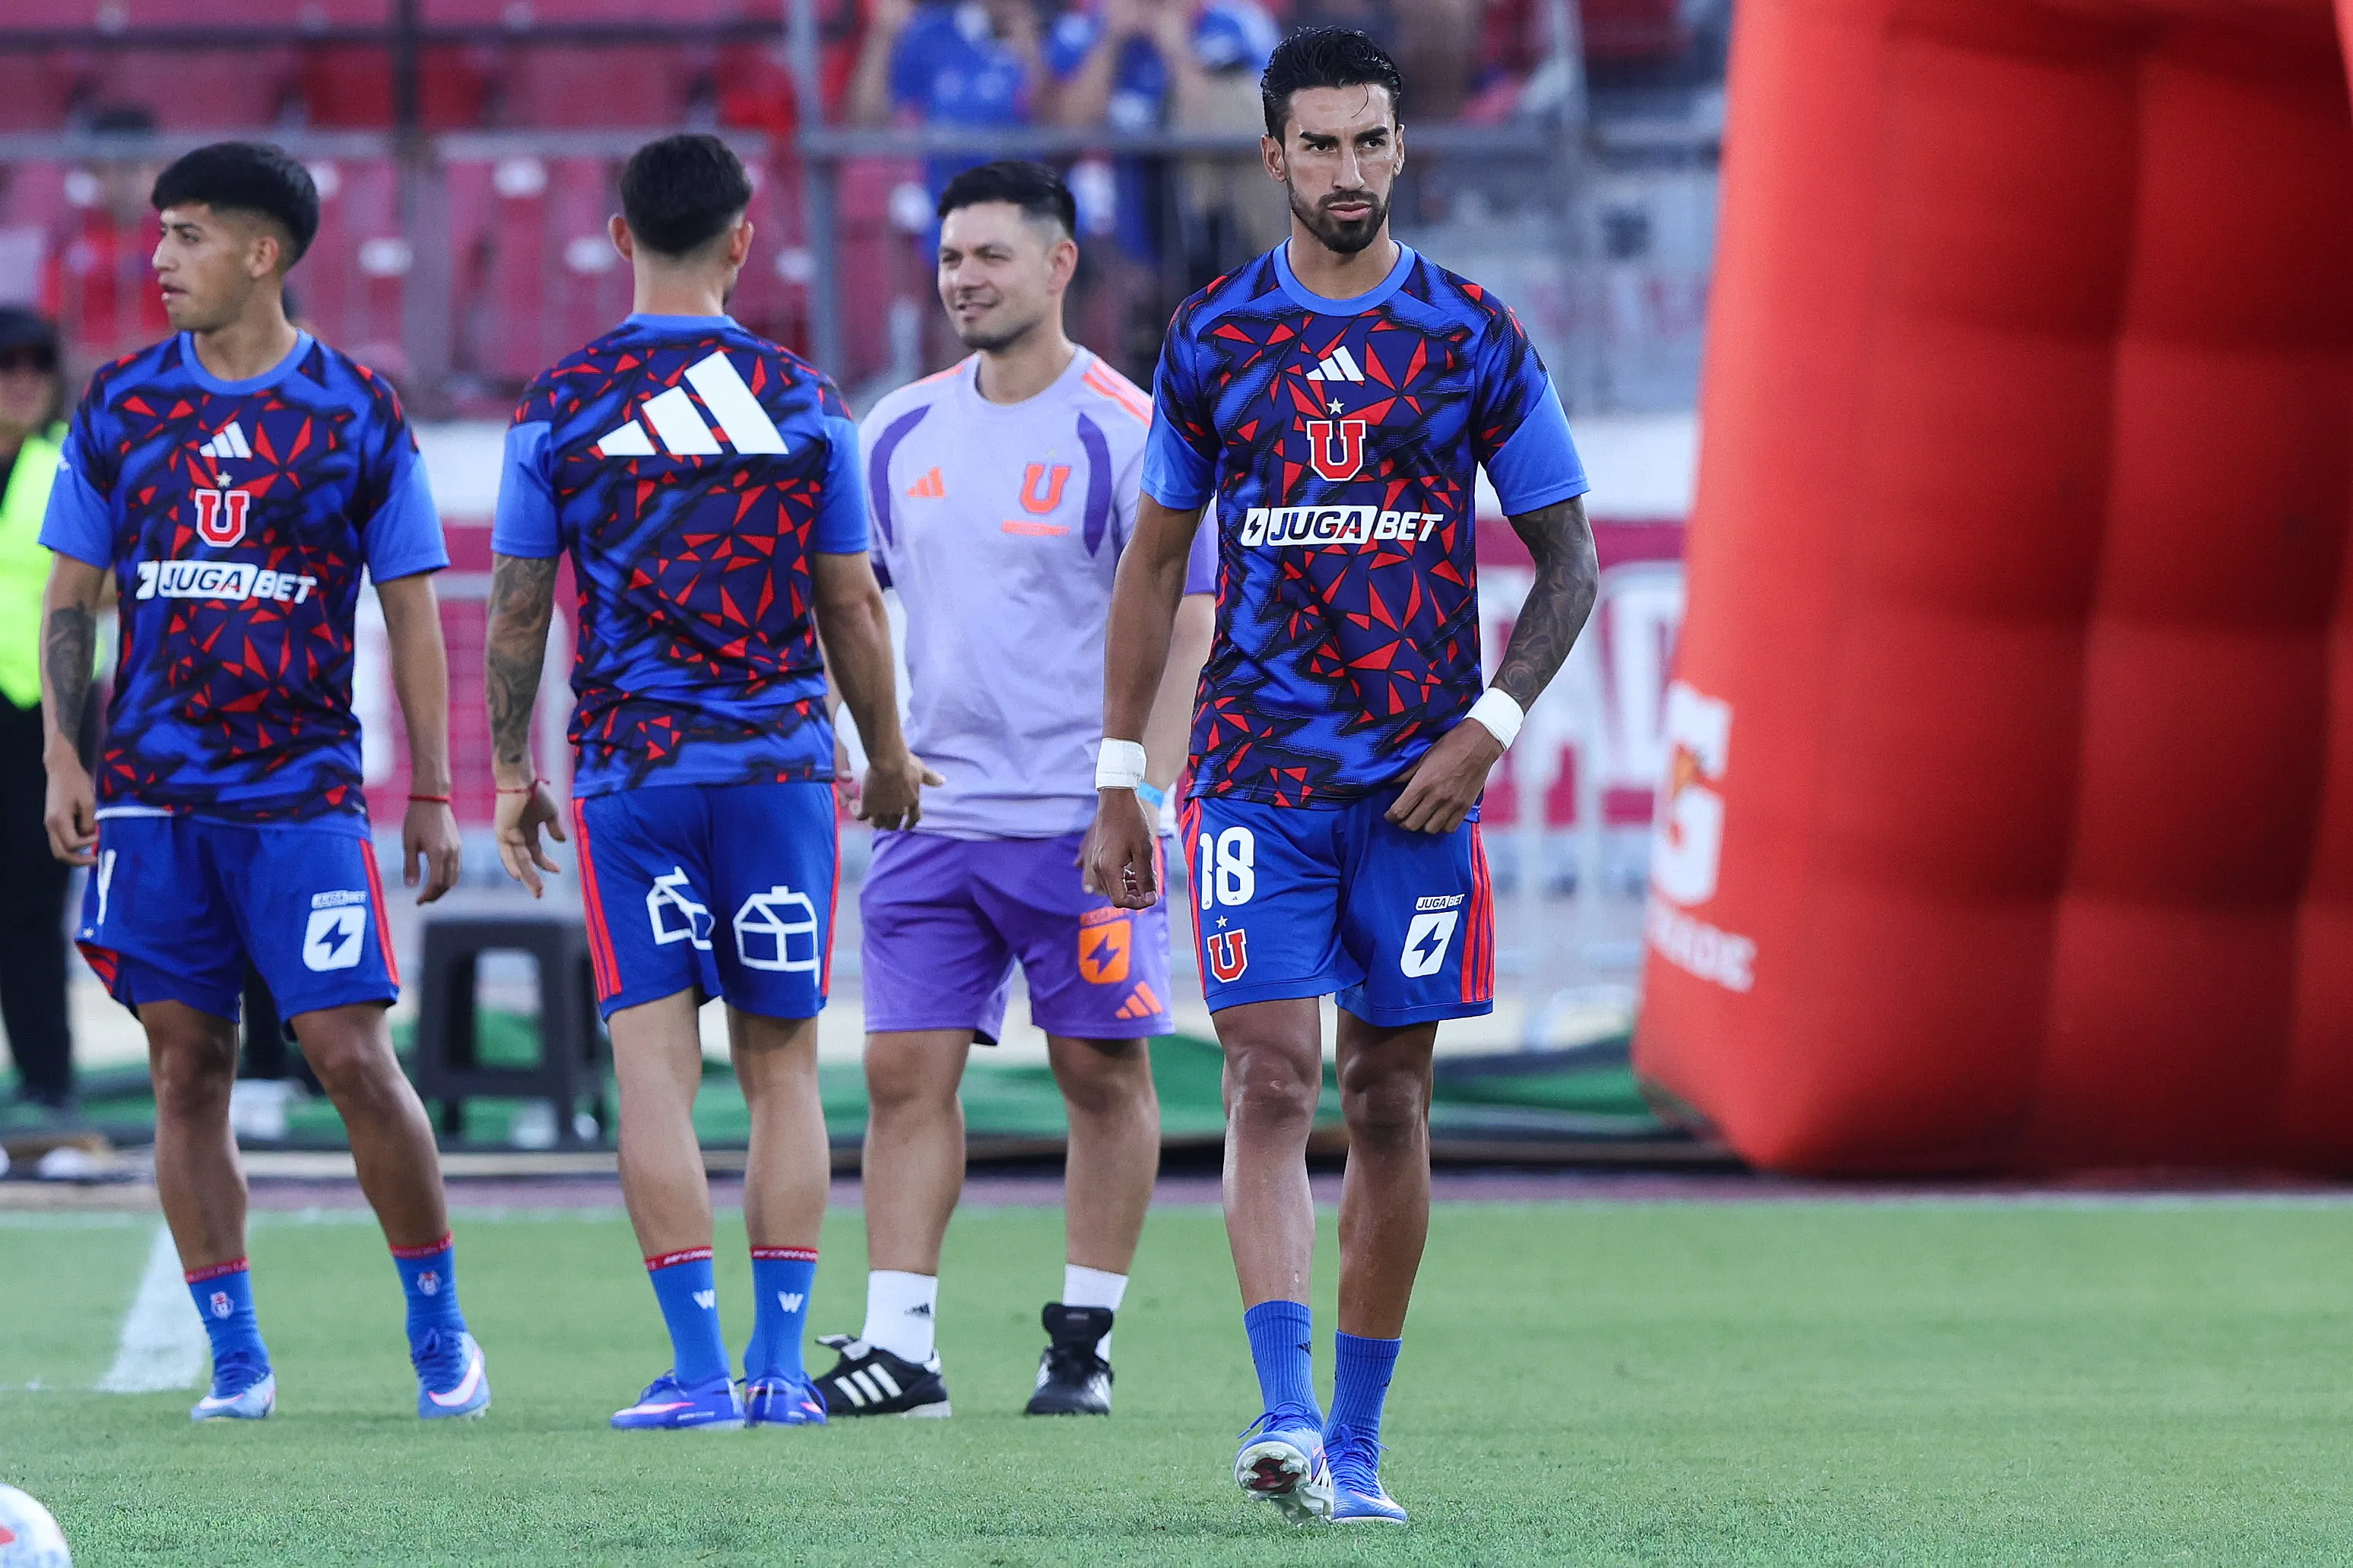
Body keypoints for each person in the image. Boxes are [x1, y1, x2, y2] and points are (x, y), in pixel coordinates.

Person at [1085, 28, 1598, 1524]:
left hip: (1419, 783)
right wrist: (1121, 774)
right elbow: (1155, 562)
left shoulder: (1471, 334)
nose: (1349, 169)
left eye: (1370, 140)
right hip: (1252, 764)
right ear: (1270, 158)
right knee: (1264, 1069)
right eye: (1318, 144)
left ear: (1398, 147)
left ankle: (1358, 1448)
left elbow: (1568, 559)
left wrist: (1483, 727)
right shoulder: (1210, 339)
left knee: (1384, 1098)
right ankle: (1284, 1412)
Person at [482, 133, 930, 1433]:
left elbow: (517, 615)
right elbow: (849, 600)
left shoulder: (558, 404)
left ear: (621, 237)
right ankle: (782, 1370)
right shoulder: (806, 400)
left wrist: (509, 770)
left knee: (655, 1072)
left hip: (633, 774)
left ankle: (695, 1372)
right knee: (784, 1067)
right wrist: (889, 754)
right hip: (780, 767)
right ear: (746, 240)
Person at [38, 141, 485, 1424]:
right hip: (151, 795)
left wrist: (439, 790)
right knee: (185, 1065)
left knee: (349, 1052)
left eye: (186, 235)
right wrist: (69, 753)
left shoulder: (356, 410)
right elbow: (76, 595)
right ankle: (236, 1354)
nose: (160, 257)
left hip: (299, 793)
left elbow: (412, 613)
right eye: (161, 235)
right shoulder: (122, 403)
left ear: (263, 252)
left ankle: (438, 1320)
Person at [811, 160, 1214, 1421]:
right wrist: (860, 735)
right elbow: (852, 600)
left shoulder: (1129, 430)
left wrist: (1138, 788)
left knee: (1101, 1072)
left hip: (1075, 822)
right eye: (948, 259)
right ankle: (902, 1348)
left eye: (990, 255)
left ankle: (1083, 1340)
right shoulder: (897, 429)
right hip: (934, 818)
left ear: (1060, 264)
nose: (964, 280)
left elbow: (1190, 617)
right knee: (900, 1075)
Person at [0, 309, 81, 1116]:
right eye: (6, 363)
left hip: (41, 718)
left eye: (36, 363)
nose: (21, 378)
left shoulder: (69, 467)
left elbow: (112, 581)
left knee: (30, 903)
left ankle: (48, 1081)